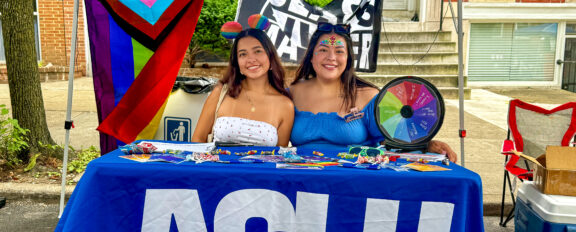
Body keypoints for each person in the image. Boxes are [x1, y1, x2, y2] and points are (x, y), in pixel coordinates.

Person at [288, 23, 457, 162]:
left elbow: (392, 141)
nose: (331, 57)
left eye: (339, 51)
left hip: (354, 181)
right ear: (311, 56)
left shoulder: (368, 96)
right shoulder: (291, 94)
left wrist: (425, 145)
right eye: (323, 50)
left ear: (347, 60)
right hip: (303, 180)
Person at [192, 19, 294, 147]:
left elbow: (279, 157)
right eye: (243, 54)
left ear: (271, 57)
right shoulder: (221, 92)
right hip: (217, 166)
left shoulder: (285, 105)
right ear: (237, 63)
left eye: (257, 51)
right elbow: (198, 138)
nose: (251, 59)